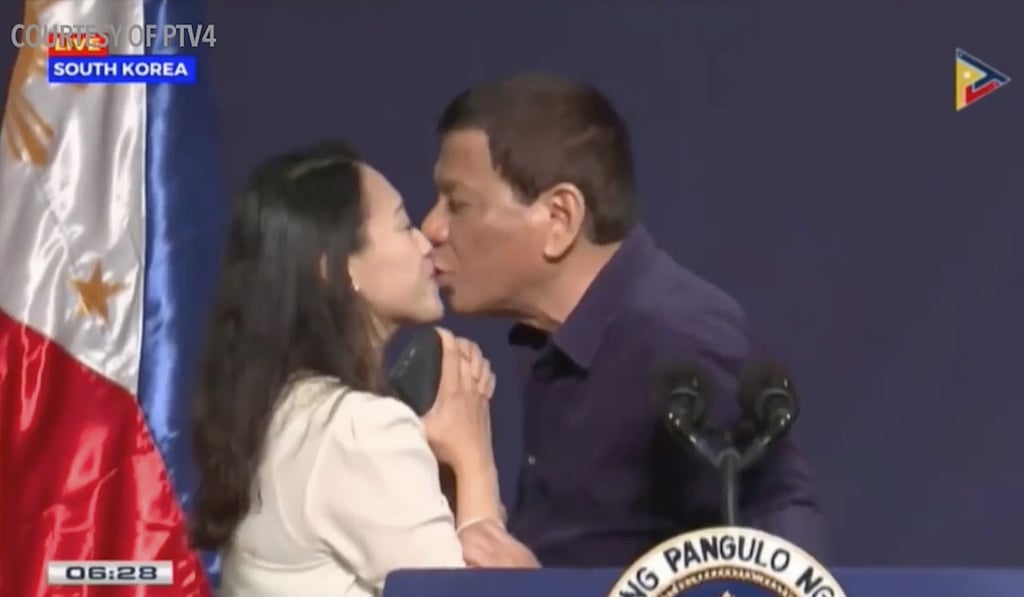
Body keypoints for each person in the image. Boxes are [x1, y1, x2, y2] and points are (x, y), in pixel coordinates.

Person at [421, 72, 827, 567]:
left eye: (457, 203)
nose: (432, 227)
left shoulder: (680, 342)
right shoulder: (556, 341)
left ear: (559, 218)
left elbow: (780, 571)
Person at [189, 141, 535, 597]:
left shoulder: (286, 411)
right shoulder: (359, 429)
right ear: (339, 268)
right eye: (404, 224)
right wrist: (475, 462)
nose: (425, 239)